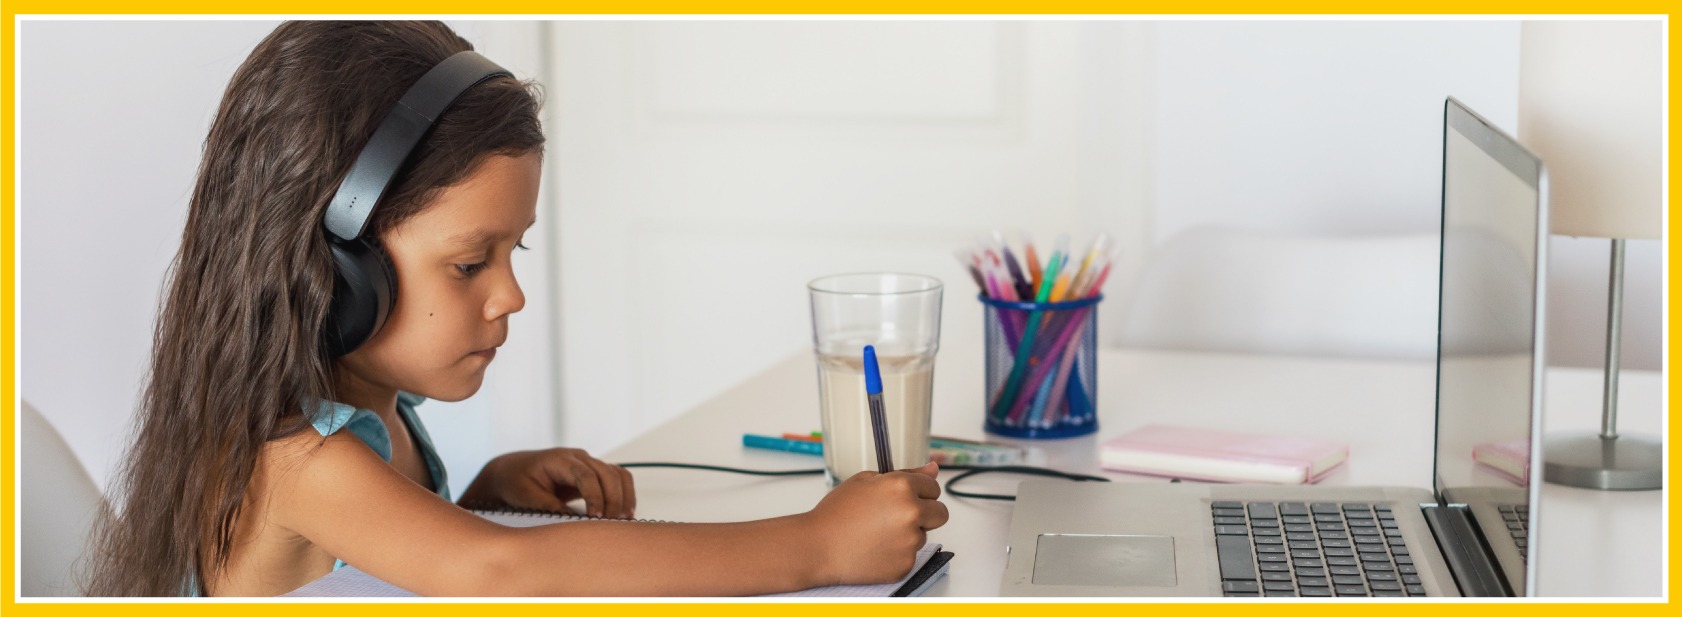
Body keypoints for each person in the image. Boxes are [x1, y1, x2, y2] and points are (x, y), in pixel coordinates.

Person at [84, 20, 948, 597]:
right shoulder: (292, 458)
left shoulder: (375, 420)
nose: (510, 295)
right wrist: (818, 545)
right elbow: (494, 567)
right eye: (469, 262)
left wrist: (483, 492)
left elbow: (411, 561)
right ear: (335, 271)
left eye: (512, 251)